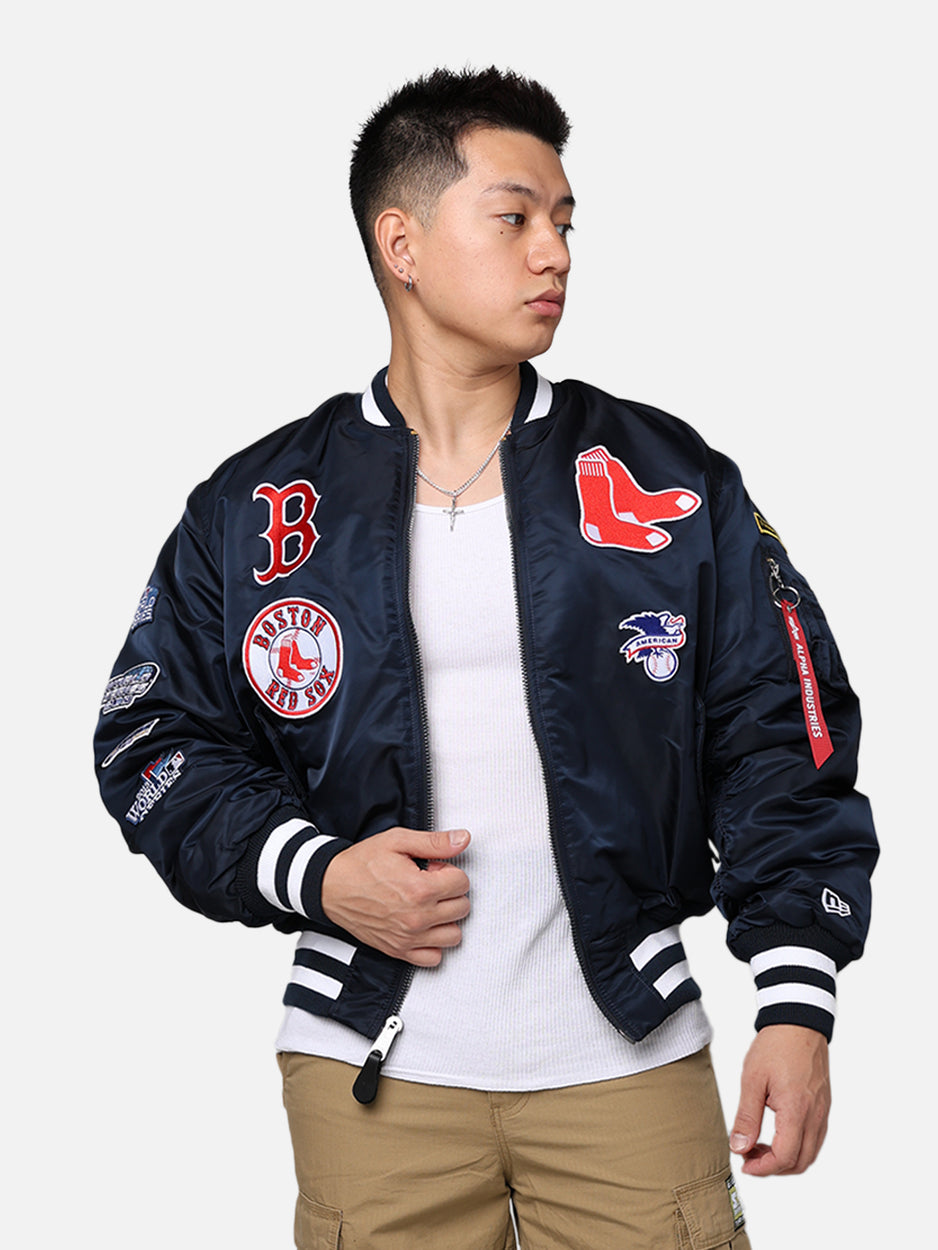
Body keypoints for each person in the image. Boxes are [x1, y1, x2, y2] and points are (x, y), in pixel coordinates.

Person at [94, 67, 878, 1249]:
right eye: (513, 218)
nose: (553, 252)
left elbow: (782, 728)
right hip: (368, 1071)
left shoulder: (666, 482)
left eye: (564, 221)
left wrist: (795, 994)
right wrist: (315, 871)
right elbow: (152, 737)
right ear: (401, 243)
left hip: (626, 1058)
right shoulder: (256, 507)